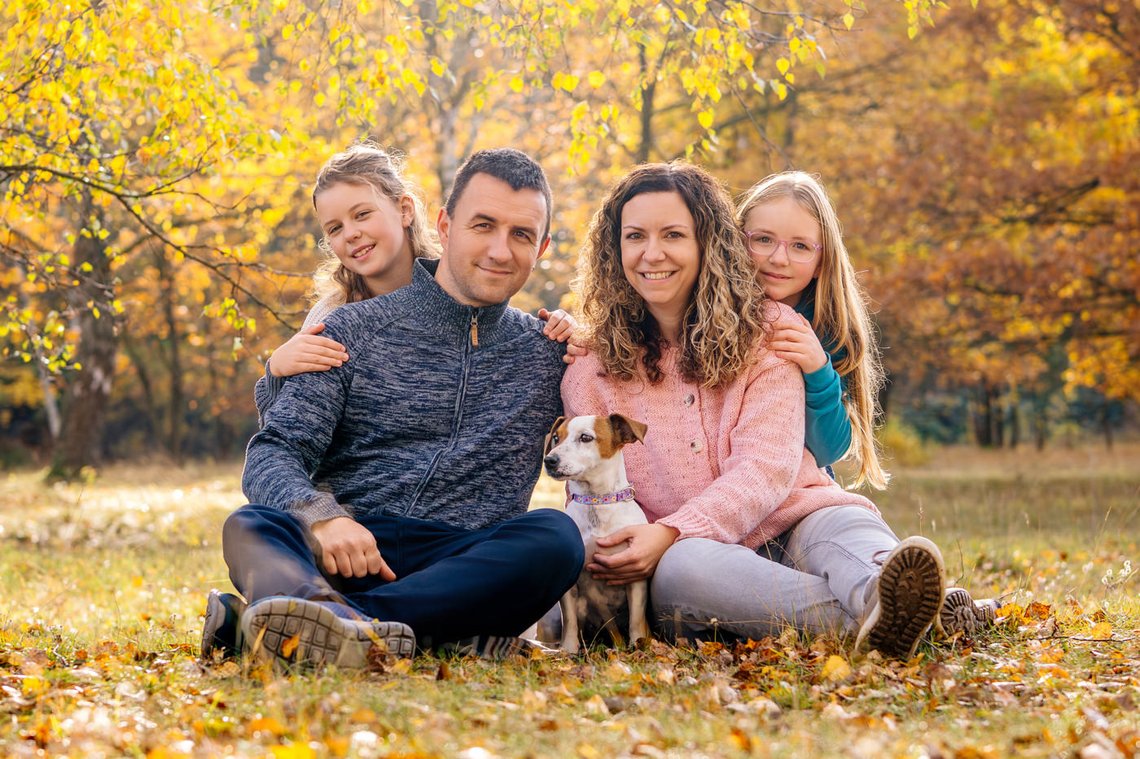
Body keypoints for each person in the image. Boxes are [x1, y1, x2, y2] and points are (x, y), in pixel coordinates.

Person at [561, 162, 992, 658]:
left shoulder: (771, 330)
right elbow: (595, 490)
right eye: (635, 235)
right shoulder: (589, 368)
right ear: (613, 249)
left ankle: (882, 594)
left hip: (795, 517)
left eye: (674, 235)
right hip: (689, 553)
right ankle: (914, 622)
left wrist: (672, 528)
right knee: (684, 572)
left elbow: (766, 471)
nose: (652, 253)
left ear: (709, 242)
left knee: (843, 525)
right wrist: (665, 535)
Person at [202, 148, 585, 668]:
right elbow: (274, 451)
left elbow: (637, 388)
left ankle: (320, 626)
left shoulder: (549, 352)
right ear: (446, 224)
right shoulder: (346, 330)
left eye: (520, 234)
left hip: (463, 563)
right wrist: (325, 520)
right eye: (483, 225)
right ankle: (393, 628)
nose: (500, 249)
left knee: (555, 538)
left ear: (540, 247)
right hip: (351, 545)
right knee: (252, 525)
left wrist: (587, 339)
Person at [253, 142, 576, 424]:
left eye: (362, 214)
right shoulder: (332, 317)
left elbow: (490, 318)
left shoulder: (454, 279)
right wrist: (276, 374)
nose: (350, 233)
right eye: (335, 228)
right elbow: (284, 427)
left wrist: (560, 325)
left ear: (405, 209)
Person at [737, 171, 887, 487]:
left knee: (850, 521)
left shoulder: (828, 330)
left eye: (800, 246)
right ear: (736, 241)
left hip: (800, 485)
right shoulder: (707, 313)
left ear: (822, 261)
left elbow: (828, 451)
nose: (779, 258)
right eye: (763, 239)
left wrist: (818, 371)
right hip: (725, 478)